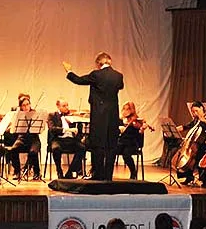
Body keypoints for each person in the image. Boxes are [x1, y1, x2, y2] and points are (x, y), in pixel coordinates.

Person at [62, 52, 124, 181]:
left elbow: (79, 80)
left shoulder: (96, 75)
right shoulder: (118, 76)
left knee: (98, 145)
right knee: (111, 146)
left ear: (99, 63)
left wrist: (69, 71)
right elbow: (120, 87)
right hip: (113, 116)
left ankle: (98, 175)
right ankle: (108, 176)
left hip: (99, 115)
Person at [174, 101, 206, 186]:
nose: (195, 113)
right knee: (188, 155)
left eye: (196, 110)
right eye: (193, 111)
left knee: (199, 155)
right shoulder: (196, 120)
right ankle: (189, 177)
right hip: (197, 143)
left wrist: (203, 120)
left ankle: (203, 180)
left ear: (201, 108)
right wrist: (176, 129)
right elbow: (187, 126)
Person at [6, 95, 43, 181]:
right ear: (21, 107)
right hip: (22, 138)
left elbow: (40, 128)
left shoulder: (35, 113)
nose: (26, 107)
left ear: (30, 104)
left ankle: (37, 173)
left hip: (34, 139)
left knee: (33, 152)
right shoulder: (18, 115)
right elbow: (13, 129)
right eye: (24, 105)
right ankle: (17, 171)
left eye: (27, 104)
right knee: (13, 149)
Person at [47, 98, 86, 179]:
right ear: (58, 106)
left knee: (82, 148)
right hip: (58, 139)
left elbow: (79, 131)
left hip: (71, 140)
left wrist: (78, 124)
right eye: (64, 106)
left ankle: (70, 172)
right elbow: (52, 129)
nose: (67, 107)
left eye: (67, 105)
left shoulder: (72, 116)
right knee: (55, 148)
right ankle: (59, 171)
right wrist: (67, 129)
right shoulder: (52, 115)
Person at [117, 102, 151, 180]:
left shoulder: (136, 120)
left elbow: (139, 134)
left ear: (132, 110)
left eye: (128, 109)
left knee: (126, 155)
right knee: (110, 151)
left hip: (132, 144)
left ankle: (133, 172)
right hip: (122, 143)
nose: (125, 111)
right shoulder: (120, 120)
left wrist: (142, 129)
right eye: (124, 109)